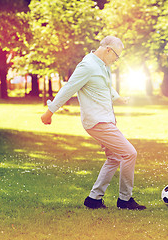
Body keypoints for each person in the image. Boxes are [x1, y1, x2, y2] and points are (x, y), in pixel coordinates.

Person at [41, 36, 146, 210]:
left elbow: (105, 86)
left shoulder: (101, 66)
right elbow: (69, 88)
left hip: (106, 120)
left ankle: (94, 199)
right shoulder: (87, 66)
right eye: (116, 56)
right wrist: (49, 111)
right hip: (98, 122)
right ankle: (125, 200)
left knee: (114, 157)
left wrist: (118, 98)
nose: (116, 60)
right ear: (107, 50)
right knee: (129, 153)